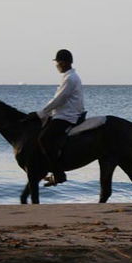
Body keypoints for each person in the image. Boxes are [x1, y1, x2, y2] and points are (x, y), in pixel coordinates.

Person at [35, 49, 85, 186]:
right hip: (63, 114)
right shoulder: (69, 77)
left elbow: (59, 99)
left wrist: (42, 112)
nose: (56, 65)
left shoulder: (70, 78)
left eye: (57, 62)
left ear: (62, 63)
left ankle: (58, 174)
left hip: (67, 116)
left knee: (43, 139)